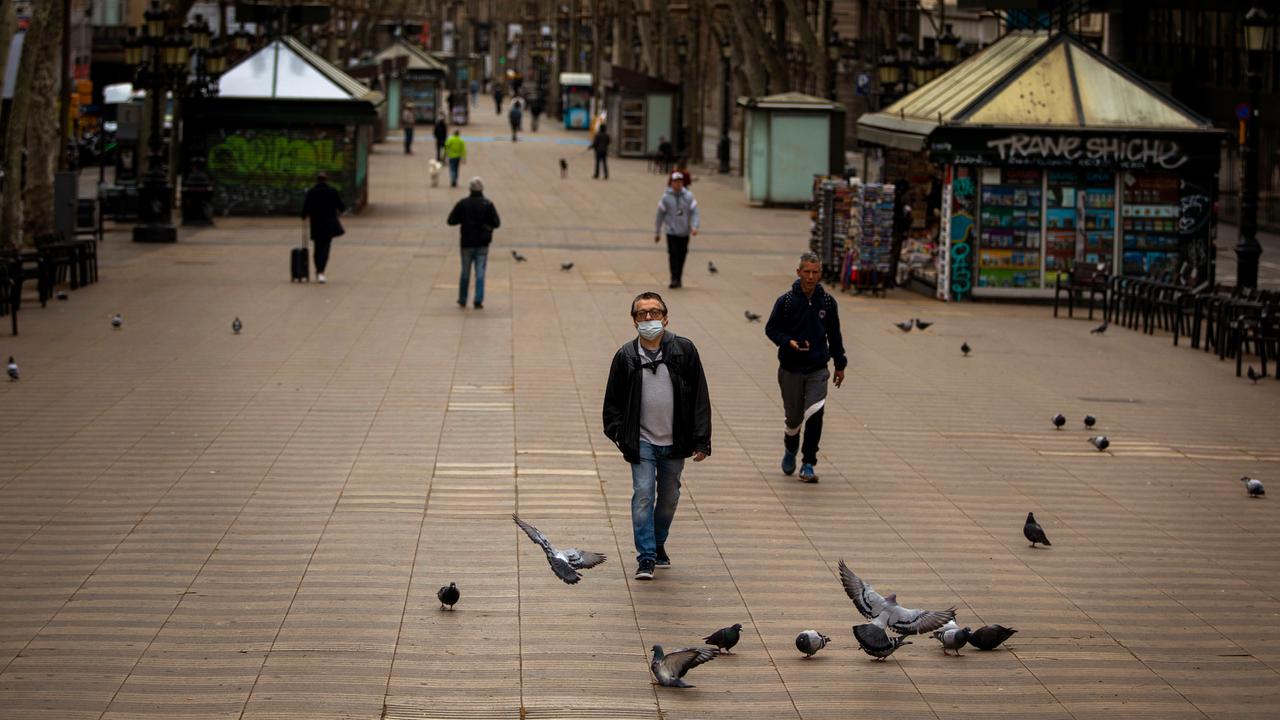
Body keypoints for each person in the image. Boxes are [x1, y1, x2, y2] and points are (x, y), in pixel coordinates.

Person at [602, 292, 711, 580]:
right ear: (634, 320)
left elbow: (700, 396)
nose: (649, 318)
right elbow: (612, 403)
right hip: (642, 442)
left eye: (655, 312)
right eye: (642, 314)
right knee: (643, 495)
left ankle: (658, 541)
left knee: (669, 497)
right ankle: (647, 556)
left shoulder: (684, 350)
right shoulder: (626, 356)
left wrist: (702, 439)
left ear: (665, 317)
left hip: (676, 441)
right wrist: (620, 435)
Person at [764, 253, 847, 483]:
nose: (811, 276)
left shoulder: (827, 303)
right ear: (798, 272)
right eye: (807, 272)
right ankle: (790, 448)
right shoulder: (786, 301)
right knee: (794, 418)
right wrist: (787, 341)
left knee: (815, 414)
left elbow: (835, 335)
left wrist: (840, 364)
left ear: (820, 274)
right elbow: (771, 329)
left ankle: (808, 463)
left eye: (815, 272)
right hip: (790, 368)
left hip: (817, 368)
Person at [447, 176, 500, 309]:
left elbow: (451, 220)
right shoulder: (487, 204)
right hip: (482, 243)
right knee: (480, 272)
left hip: (466, 243)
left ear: (470, 189)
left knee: (465, 272)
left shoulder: (463, 203)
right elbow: (497, 223)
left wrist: (464, 219)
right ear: (482, 189)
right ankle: (478, 299)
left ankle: (462, 299)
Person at [653, 171, 699, 289]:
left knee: (682, 254)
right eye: (675, 182)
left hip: (684, 231)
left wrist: (694, 226)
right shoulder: (666, 197)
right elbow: (659, 216)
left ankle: (678, 276)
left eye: (680, 182)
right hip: (671, 231)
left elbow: (695, 212)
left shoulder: (688, 196)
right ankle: (674, 278)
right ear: (671, 183)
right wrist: (657, 232)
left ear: (682, 183)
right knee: (673, 254)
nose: (678, 184)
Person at [301, 172, 346, 284]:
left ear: (317, 180)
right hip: (329, 224)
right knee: (326, 247)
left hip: (316, 224)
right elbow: (341, 206)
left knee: (317, 248)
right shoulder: (332, 191)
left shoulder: (311, 192)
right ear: (326, 180)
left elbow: (306, 208)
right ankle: (321, 271)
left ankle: (318, 270)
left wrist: (304, 215)